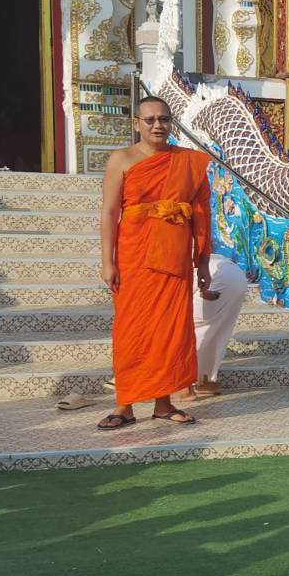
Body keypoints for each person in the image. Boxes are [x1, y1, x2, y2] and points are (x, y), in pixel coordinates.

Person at [97, 95, 211, 429]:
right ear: (136, 123)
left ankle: (163, 403)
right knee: (131, 329)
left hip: (173, 256)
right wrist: (108, 261)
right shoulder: (122, 159)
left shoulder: (188, 161)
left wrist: (201, 260)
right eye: (150, 120)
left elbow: (202, 213)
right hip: (134, 254)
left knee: (169, 330)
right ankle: (125, 404)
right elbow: (109, 212)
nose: (158, 125)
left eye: (164, 119)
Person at [176, 252, 249, 399]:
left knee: (185, 329)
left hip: (217, 275)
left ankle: (182, 385)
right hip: (236, 276)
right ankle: (204, 380)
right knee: (216, 330)